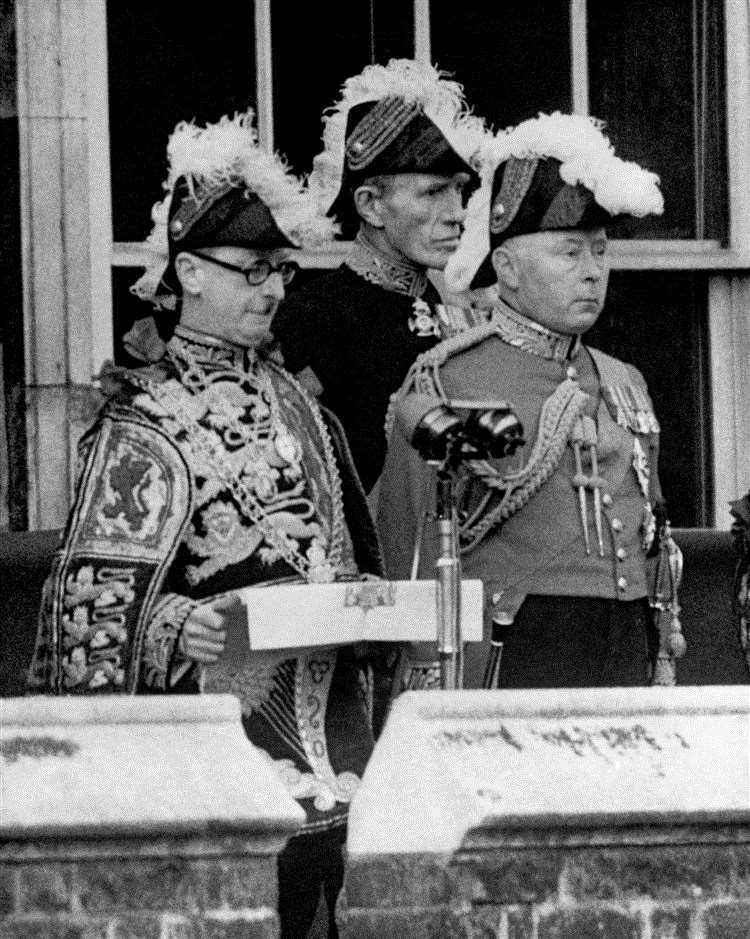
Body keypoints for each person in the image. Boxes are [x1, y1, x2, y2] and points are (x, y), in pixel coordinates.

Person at [27, 110, 391, 938]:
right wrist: (171, 623)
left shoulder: (303, 404)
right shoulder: (143, 419)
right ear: (189, 272)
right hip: (217, 761)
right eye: (253, 269)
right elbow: (85, 606)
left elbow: (340, 547)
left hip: (333, 754)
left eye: (281, 271)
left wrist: (368, 601)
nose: (272, 288)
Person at [378, 112, 677, 690]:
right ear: (508, 268)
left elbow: (652, 532)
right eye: (570, 253)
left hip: (625, 637)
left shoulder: (623, 381)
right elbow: (406, 546)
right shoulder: (448, 379)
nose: (593, 273)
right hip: (514, 643)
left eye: (599, 251)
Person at [272, 59, 488, 494]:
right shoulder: (309, 319)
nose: (457, 212)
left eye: (460, 189)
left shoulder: (462, 313)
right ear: (371, 205)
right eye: (432, 192)